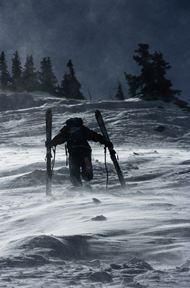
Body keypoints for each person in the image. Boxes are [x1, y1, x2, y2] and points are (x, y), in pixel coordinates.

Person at [50, 117, 112, 187]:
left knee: (75, 175)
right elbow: (94, 136)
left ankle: (79, 188)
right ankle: (84, 182)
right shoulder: (83, 130)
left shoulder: (67, 131)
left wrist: (51, 143)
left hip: (74, 154)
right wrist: (105, 141)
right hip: (85, 152)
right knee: (86, 172)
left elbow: (59, 139)